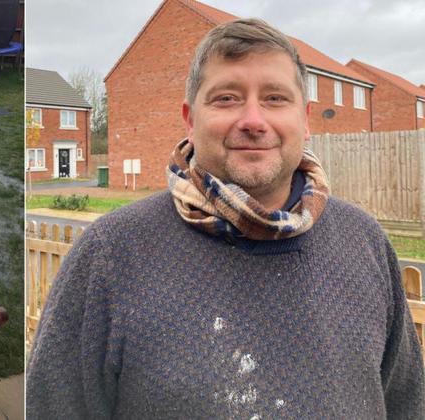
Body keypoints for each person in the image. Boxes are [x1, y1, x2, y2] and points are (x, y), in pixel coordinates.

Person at [26, 18, 425, 419]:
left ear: (305, 120)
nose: (253, 120)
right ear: (190, 119)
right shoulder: (110, 255)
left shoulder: (364, 241)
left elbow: (407, 405)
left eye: (275, 98)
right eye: (227, 98)